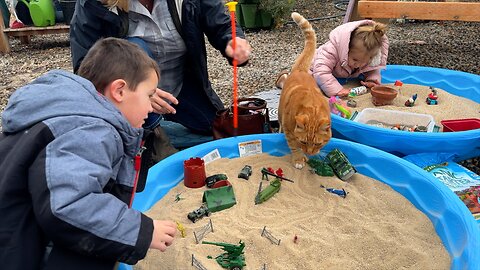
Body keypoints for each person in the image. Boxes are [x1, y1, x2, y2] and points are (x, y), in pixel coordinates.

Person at [0, 38, 177, 269]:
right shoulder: (91, 131)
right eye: (149, 95)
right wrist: (142, 231)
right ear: (119, 90)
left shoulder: (67, 113)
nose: (151, 106)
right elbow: (69, 204)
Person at [275, 20, 388, 98]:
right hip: (313, 69)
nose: (359, 65)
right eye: (355, 60)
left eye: (364, 61)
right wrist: (337, 90)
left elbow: (372, 69)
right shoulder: (331, 50)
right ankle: (285, 80)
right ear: (345, 49)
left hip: (336, 75)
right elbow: (321, 72)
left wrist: (372, 81)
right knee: (303, 88)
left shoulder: (363, 58)